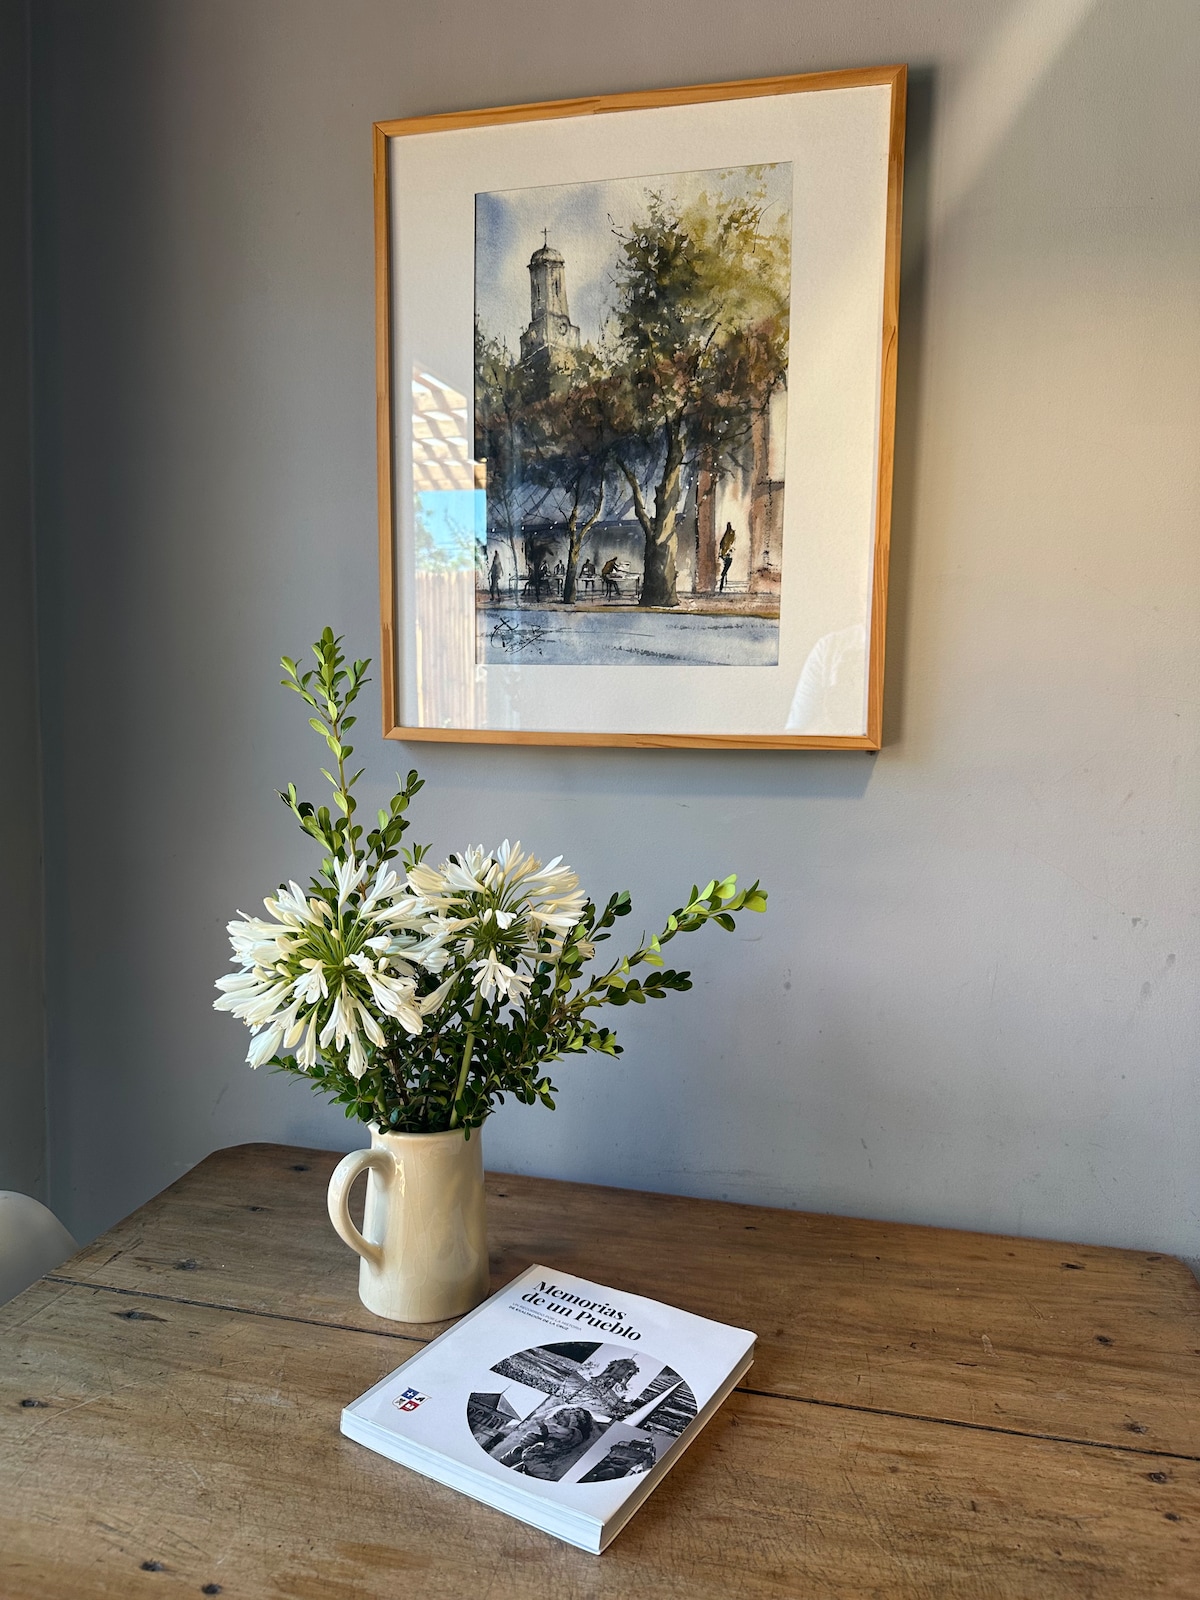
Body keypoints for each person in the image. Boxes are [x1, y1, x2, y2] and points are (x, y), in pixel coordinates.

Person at [718, 523, 736, 593]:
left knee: (724, 572)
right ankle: (722, 584)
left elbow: (731, 545)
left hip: (726, 556)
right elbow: (722, 544)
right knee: (724, 571)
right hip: (725, 556)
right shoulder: (729, 535)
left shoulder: (730, 535)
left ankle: (722, 585)